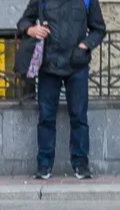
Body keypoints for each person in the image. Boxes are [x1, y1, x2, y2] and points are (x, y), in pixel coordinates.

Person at [17, 0, 107, 180]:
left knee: (79, 116)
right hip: (48, 66)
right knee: (46, 118)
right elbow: (23, 22)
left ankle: (81, 165)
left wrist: (85, 45)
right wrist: (31, 30)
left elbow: (99, 29)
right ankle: (44, 165)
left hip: (77, 65)